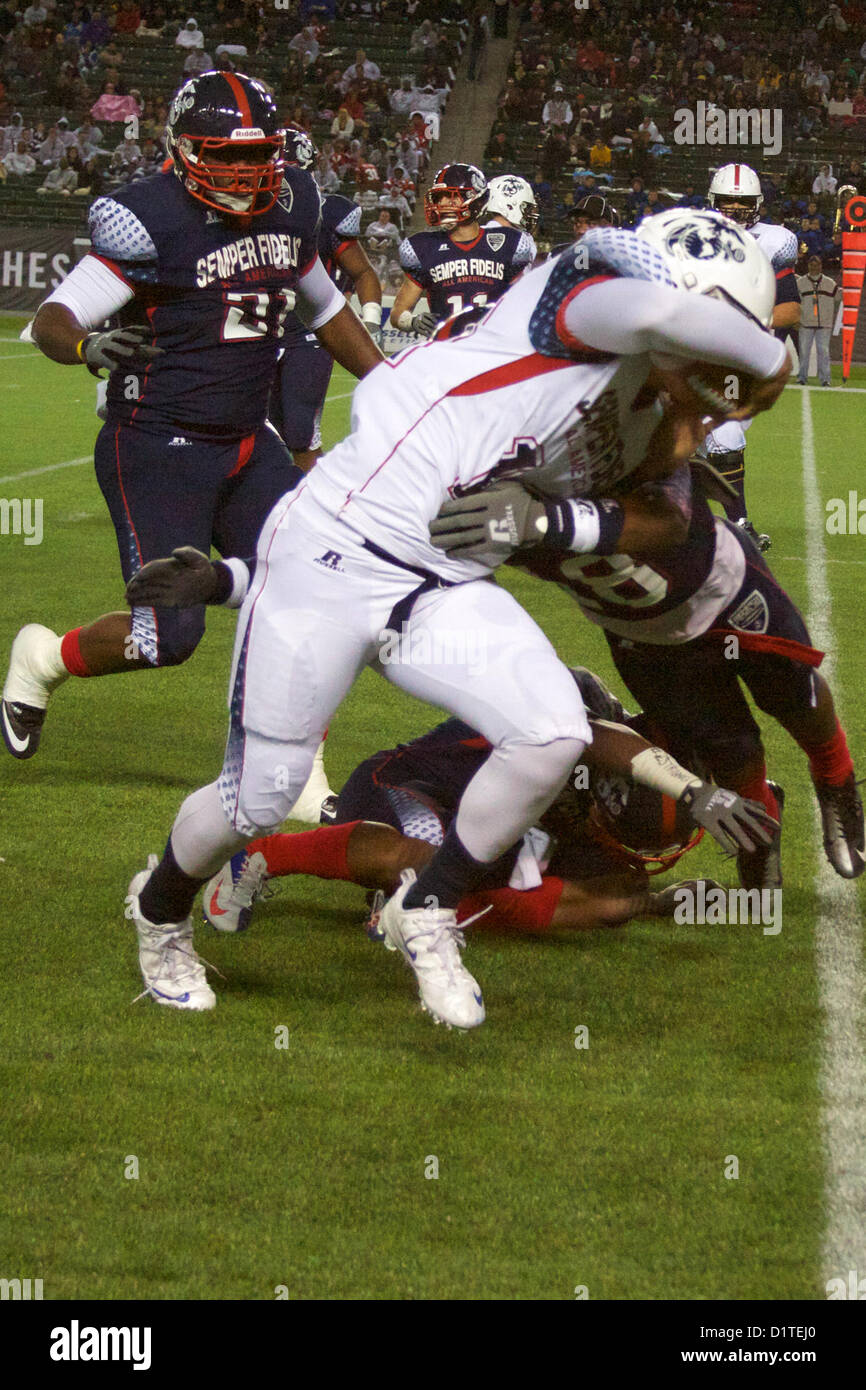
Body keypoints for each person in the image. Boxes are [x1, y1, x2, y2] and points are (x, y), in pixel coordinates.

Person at [119, 211, 789, 1020]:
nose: (722, 376)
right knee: (259, 797)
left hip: (442, 580)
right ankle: (159, 911)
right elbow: (661, 318)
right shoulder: (590, 296)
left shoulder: (650, 408)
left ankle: (430, 909)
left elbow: (667, 516)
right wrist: (771, 357)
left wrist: (553, 523)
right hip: (336, 553)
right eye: (724, 337)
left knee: (553, 732)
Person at [2, 73, 382, 769]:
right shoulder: (150, 215)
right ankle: (43, 657)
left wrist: (392, 382)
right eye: (224, 154)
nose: (242, 170)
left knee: (314, 593)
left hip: (246, 444)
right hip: (157, 446)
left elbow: (325, 308)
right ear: (181, 149)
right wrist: (88, 345)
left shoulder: (294, 202)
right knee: (167, 638)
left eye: (255, 153)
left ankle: (292, 773)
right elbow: (55, 317)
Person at [202, 669, 774, 936]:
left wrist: (663, 898)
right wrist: (692, 792)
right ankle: (262, 855)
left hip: (481, 832)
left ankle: (420, 904)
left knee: (619, 897)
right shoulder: (574, 708)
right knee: (429, 857)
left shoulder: (619, 781)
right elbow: (598, 739)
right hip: (405, 788)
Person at [268, 126, 383, 473]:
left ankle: (309, 504)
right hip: (257, 330)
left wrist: (372, 322)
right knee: (261, 429)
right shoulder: (245, 210)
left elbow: (363, 272)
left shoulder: (326, 212)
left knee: (302, 430)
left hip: (308, 334)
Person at [704, 162, 801, 551]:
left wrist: (743, 318)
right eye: (727, 203)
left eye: (742, 204)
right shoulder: (692, 237)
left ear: (757, 205)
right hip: (695, 350)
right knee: (713, 438)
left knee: (723, 436)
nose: (734, 211)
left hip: (742, 357)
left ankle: (729, 522)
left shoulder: (772, 242)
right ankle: (731, 522)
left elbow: (791, 310)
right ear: (713, 202)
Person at [389, 163, 534, 335]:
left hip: (492, 348)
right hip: (446, 349)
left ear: (475, 199)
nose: (442, 203)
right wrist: (412, 321)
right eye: (439, 198)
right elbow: (397, 313)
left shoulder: (508, 243)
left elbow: (523, 305)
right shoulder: (425, 247)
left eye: (451, 197)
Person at [796, 255, 841, 387]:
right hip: (805, 323)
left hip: (824, 324)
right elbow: (796, 303)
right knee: (804, 352)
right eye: (811, 265)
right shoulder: (800, 283)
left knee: (824, 352)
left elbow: (839, 296)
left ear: (821, 266)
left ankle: (825, 379)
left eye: (817, 265)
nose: (814, 267)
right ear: (808, 266)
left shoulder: (829, 283)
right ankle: (802, 377)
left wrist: (851, 284)